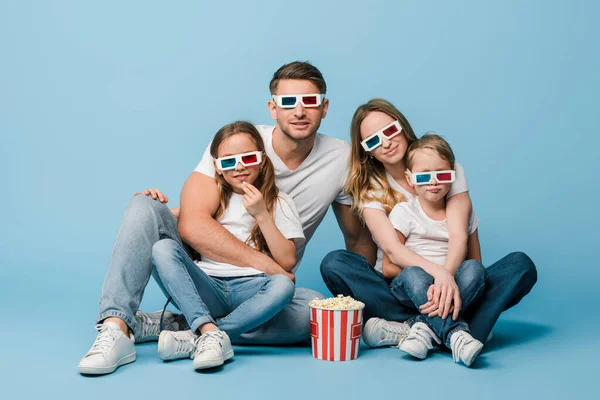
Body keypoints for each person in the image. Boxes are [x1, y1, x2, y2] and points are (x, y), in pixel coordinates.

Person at [78, 61, 372, 375]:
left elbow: (357, 239)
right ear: (273, 108)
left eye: (310, 101)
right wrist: (272, 268)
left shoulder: (343, 159)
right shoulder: (239, 141)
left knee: (312, 316)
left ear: (325, 107)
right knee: (143, 206)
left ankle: (191, 329)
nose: (299, 111)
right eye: (288, 102)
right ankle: (116, 327)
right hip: (210, 273)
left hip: (261, 290)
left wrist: (375, 303)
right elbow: (192, 224)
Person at [320, 99, 537, 349]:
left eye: (390, 131)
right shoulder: (371, 187)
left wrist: (447, 276)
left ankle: (416, 329)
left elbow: (459, 235)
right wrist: (438, 274)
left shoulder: (447, 168)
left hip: (455, 277)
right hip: (404, 283)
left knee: (520, 265)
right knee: (336, 263)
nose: (386, 142)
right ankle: (464, 329)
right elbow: (392, 251)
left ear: (401, 126)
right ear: (367, 150)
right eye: (373, 140)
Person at [150, 121, 302, 370]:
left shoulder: (280, 201)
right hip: (207, 285)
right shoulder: (211, 200)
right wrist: (153, 201)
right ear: (217, 168)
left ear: (262, 160)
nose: (240, 167)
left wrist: (262, 214)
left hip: (252, 289)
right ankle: (207, 329)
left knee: (284, 285)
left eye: (248, 158)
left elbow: (286, 262)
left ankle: (200, 335)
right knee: (161, 249)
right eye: (229, 162)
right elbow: (169, 219)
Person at [383, 134, 485, 366]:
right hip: (413, 289)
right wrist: (437, 278)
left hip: (452, 291)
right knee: (413, 274)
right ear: (410, 179)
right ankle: (456, 333)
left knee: (475, 269)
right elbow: (389, 266)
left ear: (453, 177)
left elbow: (475, 262)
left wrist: (447, 280)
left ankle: (423, 329)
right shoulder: (403, 212)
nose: (434, 182)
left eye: (443, 175)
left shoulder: (464, 216)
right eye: (424, 175)